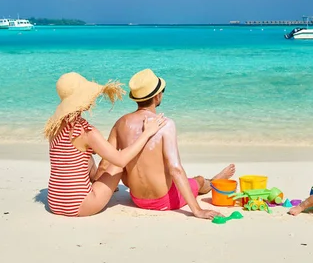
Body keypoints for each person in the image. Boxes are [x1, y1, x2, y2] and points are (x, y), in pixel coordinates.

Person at [97, 69, 235, 220]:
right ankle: (213, 181)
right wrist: (197, 210)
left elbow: (105, 163)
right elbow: (175, 169)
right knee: (199, 180)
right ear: (157, 96)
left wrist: (99, 191)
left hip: (136, 199)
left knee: (124, 162)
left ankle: (211, 180)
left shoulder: (121, 123)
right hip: (163, 200)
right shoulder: (165, 124)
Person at [43, 72, 167, 217]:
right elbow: (120, 159)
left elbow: (69, 156)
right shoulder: (86, 131)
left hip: (54, 202)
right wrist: (147, 133)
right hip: (79, 206)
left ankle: (97, 181)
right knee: (118, 165)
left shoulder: (53, 127)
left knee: (85, 156)